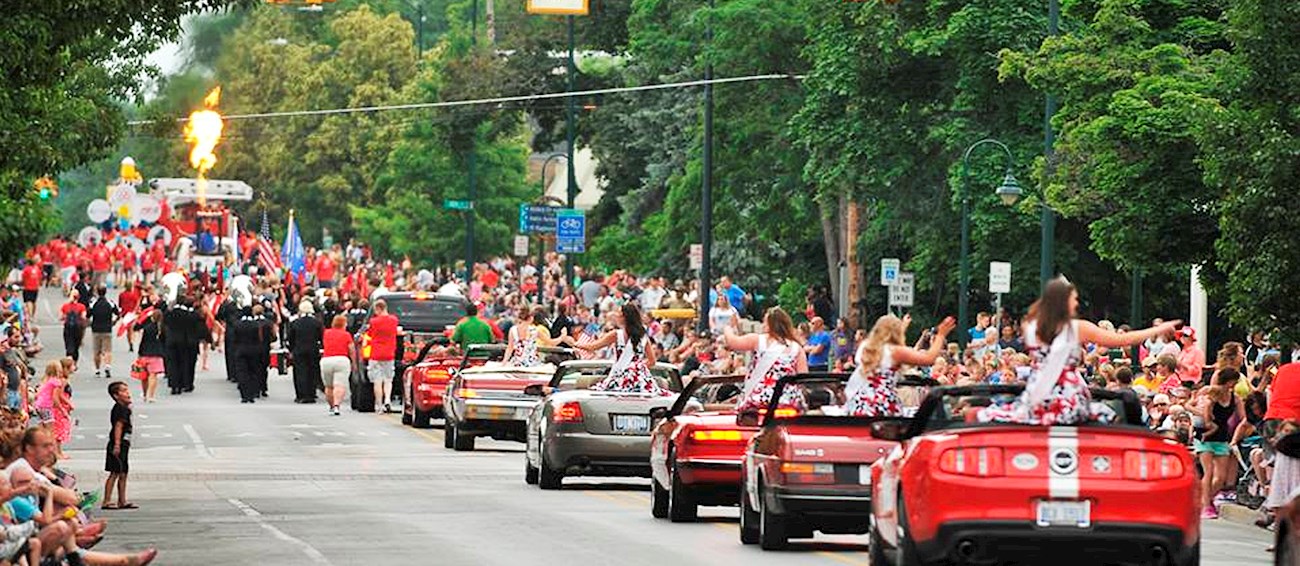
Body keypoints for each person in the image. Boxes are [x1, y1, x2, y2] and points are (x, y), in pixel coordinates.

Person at [979, 277, 1180, 425]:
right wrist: (1159, 329)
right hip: (1068, 396)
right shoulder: (1076, 328)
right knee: (1114, 416)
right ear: (1063, 301)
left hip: (1036, 394)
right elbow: (1122, 339)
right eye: (1073, 299)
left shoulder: (1030, 326)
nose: (1076, 303)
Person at [845, 314, 956, 416]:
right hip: (881, 402)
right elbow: (929, 359)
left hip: (861, 401)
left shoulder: (865, 347)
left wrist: (902, 326)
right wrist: (941, 335)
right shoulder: (895, 352)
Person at [566, 303, 670, 395]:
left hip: (620, 377)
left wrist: (574, 344)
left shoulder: (616, 334)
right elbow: (652, 361)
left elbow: (593, 347)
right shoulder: (644, 336)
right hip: (641, 378)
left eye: (619, 314)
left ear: (624, 317)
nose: (616, 316)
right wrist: (636, 368)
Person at [723, 306, 807, 414]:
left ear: (770, 325)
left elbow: (733, 342)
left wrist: (728, 328)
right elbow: (803, 378)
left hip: (757, 400)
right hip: (786, 401)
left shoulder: (758, 340)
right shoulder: (797, 348)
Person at [1196, 368, 1245, 519]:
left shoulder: (1235, 398)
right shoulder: (1209, 392)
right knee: (1208, 472)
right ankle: (1205, 506)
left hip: (1222, 437)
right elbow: (1192, 405)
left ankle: (1204, 500)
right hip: (1204, 437)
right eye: (1235, 381)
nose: (1236, 384)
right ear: (1229, 381)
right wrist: (1205, 416)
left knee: (1221, 477)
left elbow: (1243, 417)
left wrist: (1240, 431)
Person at [103, 381, 135, 511]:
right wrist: (117, 444)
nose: (128, 393)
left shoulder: (125, 408)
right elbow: (118, 426)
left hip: (124, 444)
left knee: (123, 472)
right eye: (124, 391)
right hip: (118, 444)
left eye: (127, 390)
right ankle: (107, 500)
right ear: (116, 395)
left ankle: (122, 500)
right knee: (115, 472)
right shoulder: (120, 409)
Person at [366, 299, 400, 413]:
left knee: (377, 380)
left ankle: (379, 405)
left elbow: (370, 334)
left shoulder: (373, 321)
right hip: (389, 353)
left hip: (375, 353)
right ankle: (387, 399)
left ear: (378, 309)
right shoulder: (394, 320)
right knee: (388, 379)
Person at [287, 301, 324, 404]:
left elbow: (290, 338)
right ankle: (311, 394)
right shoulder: (317, 323)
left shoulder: (295, 323)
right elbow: (321, 337)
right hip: (313, 349)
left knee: (300, 372)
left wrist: (291, 349)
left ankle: (301, 395)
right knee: (312, 371)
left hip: (299, 349)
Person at [320, 315, 355, 416]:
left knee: (328, 386)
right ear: (344, 324)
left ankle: (331, 406)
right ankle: (336, 405)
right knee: (339, 385)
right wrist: (353, 362)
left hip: (326, 360)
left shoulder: (326, 333)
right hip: (341, 360)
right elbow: (351, 349)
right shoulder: (346, 335)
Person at [132, 309, 165, 403]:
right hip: (157, 354)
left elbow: (142, 340)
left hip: (145, 353)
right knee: (153, 375)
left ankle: (145, 394)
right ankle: (151, 395)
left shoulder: (147, 328)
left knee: (144, 376)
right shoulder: (162, 328)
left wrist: (139, 353)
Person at [87, 287, 119, 379]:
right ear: (105, 292)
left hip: (96, 329)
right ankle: (107, 366)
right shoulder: (110, 302)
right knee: (107, 350)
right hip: (107, 329)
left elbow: (88, 314)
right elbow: (118, 313)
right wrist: (114, 321)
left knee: (97, 351)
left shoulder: (93, 303)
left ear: (97, 292)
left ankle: (97, 370)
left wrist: (90, 322)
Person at [60, 291, 88, 363]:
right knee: (76, 346)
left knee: (69, 345)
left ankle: (69, 361)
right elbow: (83, 317)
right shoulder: (82, 306)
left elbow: (61, 317)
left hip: (68, 328)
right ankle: (74, 363)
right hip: (78, 329)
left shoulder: (65, 306)